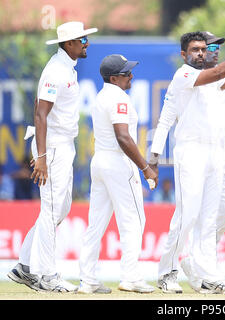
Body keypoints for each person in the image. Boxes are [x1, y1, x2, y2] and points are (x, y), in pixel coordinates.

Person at [149, 21, 225, 294]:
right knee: (187, 216)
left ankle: (206, 274)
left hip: (217, 152)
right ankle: (166, 272)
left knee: (212, 217)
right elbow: (217, 73)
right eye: (195, 50)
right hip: (191, 152)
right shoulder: (184, 75)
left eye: (203, 49)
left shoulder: (216, 76)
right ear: (184, 54)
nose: (200, 54)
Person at [7, 21, 97, 292]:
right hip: (52, 147)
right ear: (68, 44)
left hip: (62, 145)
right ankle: (47, 275)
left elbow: (41, 108)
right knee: (51, 210)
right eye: (81, 40)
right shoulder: (55, 70)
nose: (86, 43)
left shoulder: (67, 67)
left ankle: (24, 266)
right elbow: (40, 113)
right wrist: (42, 156)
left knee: (60, 208)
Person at [77, 54, 157, 294]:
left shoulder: (102, 96)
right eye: (126, 73)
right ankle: (131, 277)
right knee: (134, 220)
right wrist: (145, 168)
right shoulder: (118, 97)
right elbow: (123, 137)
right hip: (118, 162)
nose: (131, 76)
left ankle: (88, 279)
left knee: (96, 224)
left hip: (100, 160)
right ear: (114, 78)